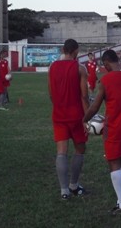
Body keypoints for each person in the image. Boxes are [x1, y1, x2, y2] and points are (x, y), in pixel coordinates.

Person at [83, 49, 121, 215]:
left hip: (114, 126)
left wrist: (84, 119)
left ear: (106, 63)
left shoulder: (106, 80)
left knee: (113, 163)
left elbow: (95, 107)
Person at [48, 39, 90, 200]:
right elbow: (84, 96)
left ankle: (64, 191)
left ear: (63, 49)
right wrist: (87, 118)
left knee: (61, 152)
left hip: (59, 114)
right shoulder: (80, 68)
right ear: (76, 51)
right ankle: (73, 185)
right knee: (80, 149)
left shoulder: (52, 67)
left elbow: (51, 94)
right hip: (77, 116)